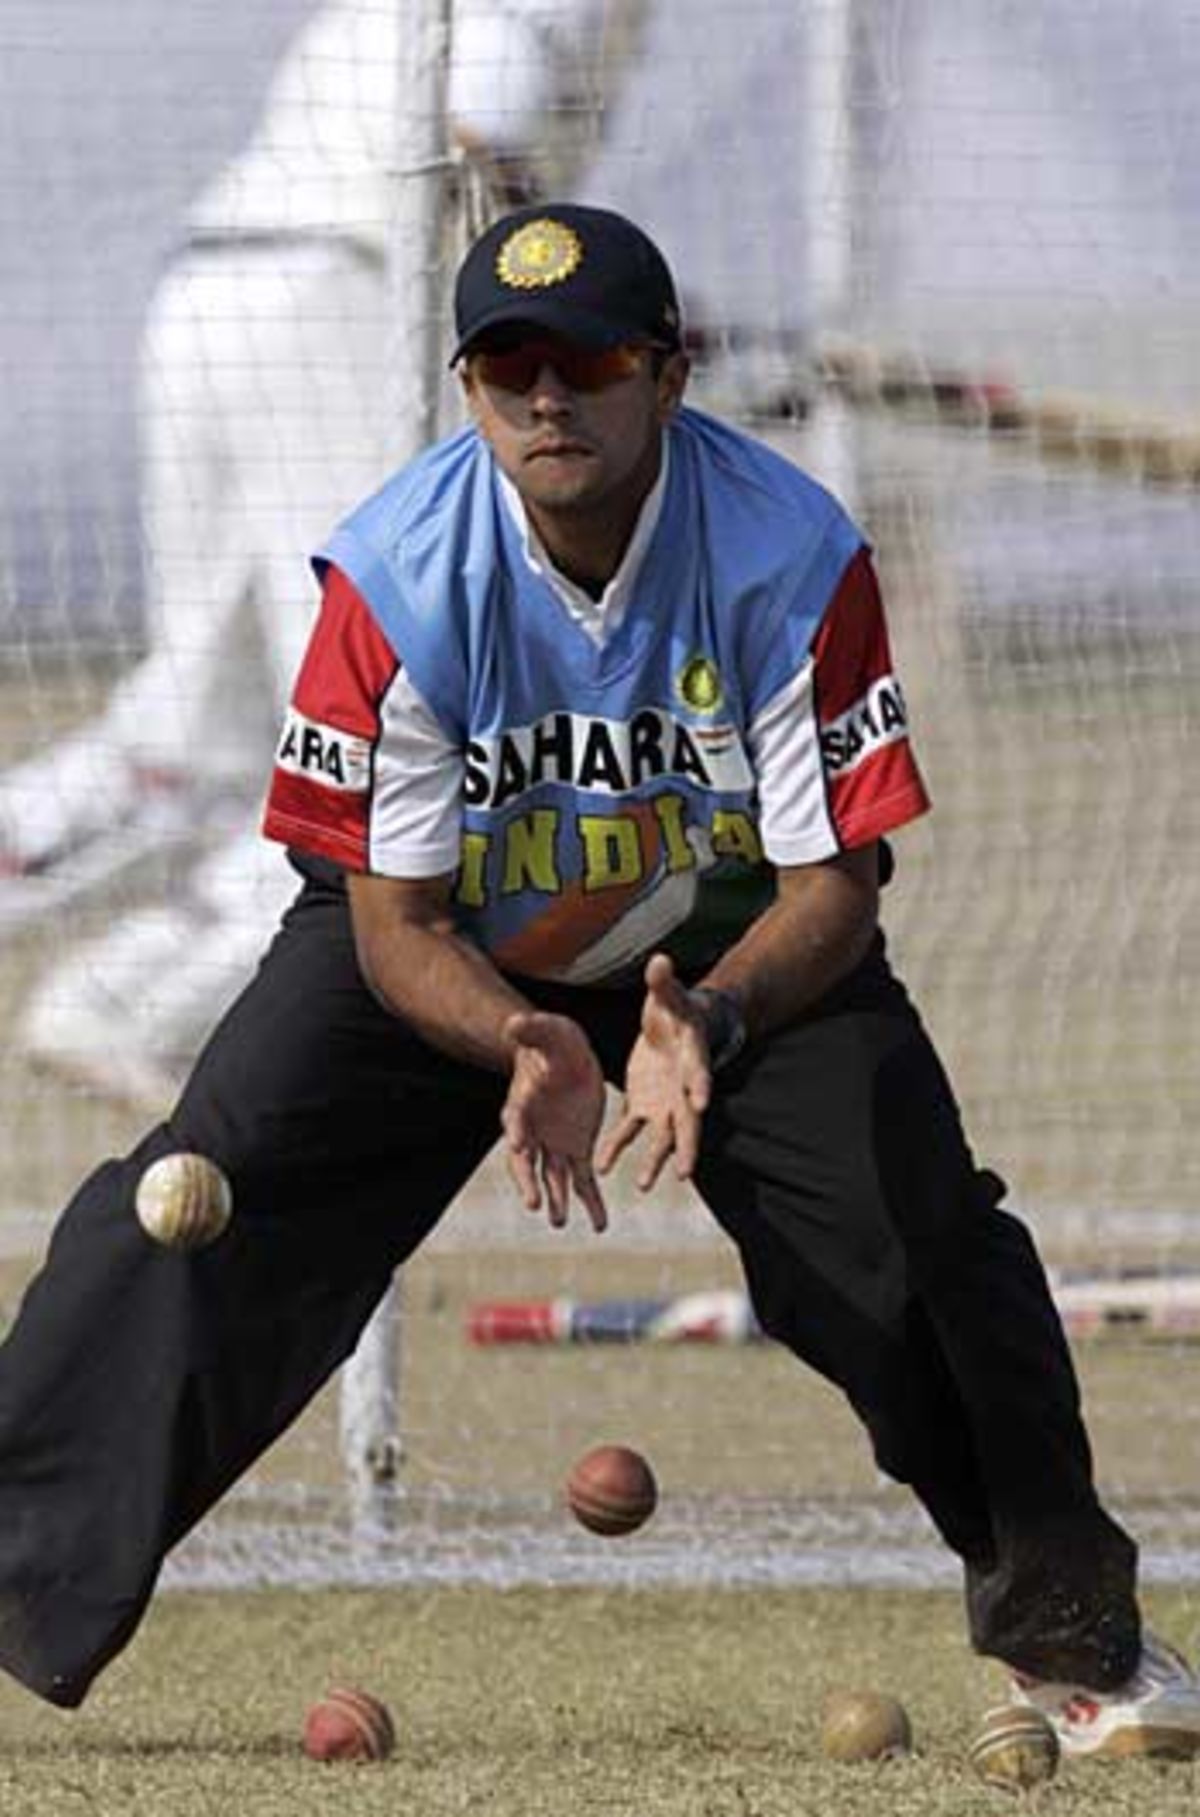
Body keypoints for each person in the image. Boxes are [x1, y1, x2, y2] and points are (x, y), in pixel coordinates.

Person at [0, 201, 1196, 1763]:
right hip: (445, 953)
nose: (547, 399)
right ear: (471, 389)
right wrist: (521, 1038)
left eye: (587, 362)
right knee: (195, 1202)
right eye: (508, 368)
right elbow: (389, 923)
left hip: (743, 955)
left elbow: (837, 878)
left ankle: (1082, 1643)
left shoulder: (789, 553)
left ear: (668, 377)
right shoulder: (398, 576)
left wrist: (711, 1017)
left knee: (916, 1240)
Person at [0, 0, 632, 1112]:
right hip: (347, 298)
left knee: (195, 735)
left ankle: (125, 968)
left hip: (216, 289)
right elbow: (474, 135)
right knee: (377, 739)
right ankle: (135, 993)